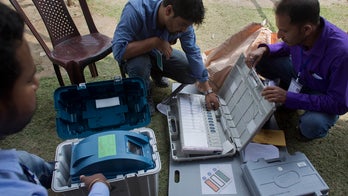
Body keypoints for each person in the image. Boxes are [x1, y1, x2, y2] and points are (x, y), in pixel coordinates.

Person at [0, 2, 110, 195]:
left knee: (27, 161)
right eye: (28, 80)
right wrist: (99, 186)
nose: (36, 83)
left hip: (16, 162)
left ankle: (59, 173)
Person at [246, 0, 348, 140]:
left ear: (306, 29)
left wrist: (289, 98)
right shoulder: (304, 33)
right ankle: (284, 93)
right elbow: (287, 47)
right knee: (261, 58)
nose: (279, 35)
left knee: (312, 124)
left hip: (323, 95)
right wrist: (265, 49)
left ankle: (302, 131)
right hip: (300, 77)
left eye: (284, 30)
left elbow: (339, 104)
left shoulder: (342, 54)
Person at [112, 0, 220, 114]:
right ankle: (144, 95)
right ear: (168, 10)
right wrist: (155, 42)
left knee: (190, 72)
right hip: (135, 54)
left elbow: (193, 52)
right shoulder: (135, 11)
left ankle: (156, 72)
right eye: (182, 24)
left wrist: (208, 91)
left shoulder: (183, 20)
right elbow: (118, 52)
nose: (184, 30)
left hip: (158, 52)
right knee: (139, 65)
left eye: (188, 26)